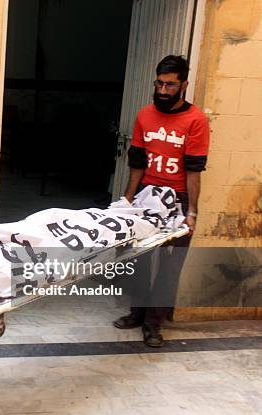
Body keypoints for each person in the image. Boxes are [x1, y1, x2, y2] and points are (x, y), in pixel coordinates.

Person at [113, 55, 210, 347]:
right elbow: (137, 163)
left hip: (178, 199)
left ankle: (154, 324)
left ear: (183, 85)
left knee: (170, 265)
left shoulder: (196, 120)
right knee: (139, 257)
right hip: (146, 195)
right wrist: (127, 201)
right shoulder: (145, 115)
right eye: (159, 83)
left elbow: (194, 170)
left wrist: (191, 212)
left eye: (170, 85)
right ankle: (137, 313)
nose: (163, 91)